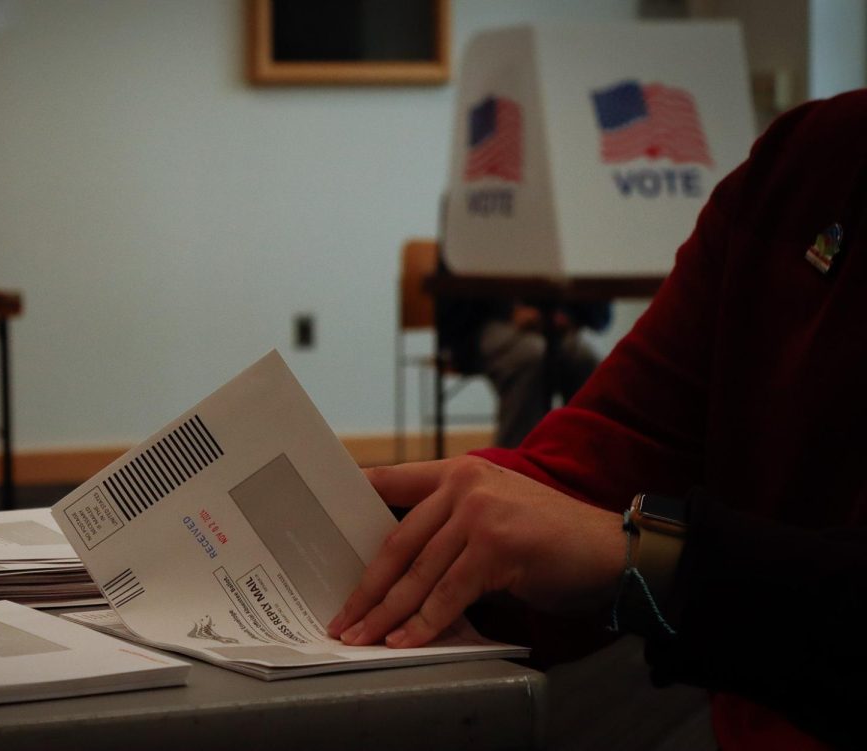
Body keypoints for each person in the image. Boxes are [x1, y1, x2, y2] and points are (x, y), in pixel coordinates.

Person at [330, 89, 867, 750]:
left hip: (756, 686)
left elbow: (593, 331)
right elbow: (619, 439)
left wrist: (628, 548)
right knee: (527, 360)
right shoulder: (808, 158)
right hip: (488, 337)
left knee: (570, 352)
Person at [435, 283, 612, 448]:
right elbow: (454, 296)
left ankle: (580, 460)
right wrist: (509, 311)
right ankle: (514, 465)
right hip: (483, 322)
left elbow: (599, 312)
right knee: (531, 356)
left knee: (585, 357)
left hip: (554, 320)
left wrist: (565, 315)